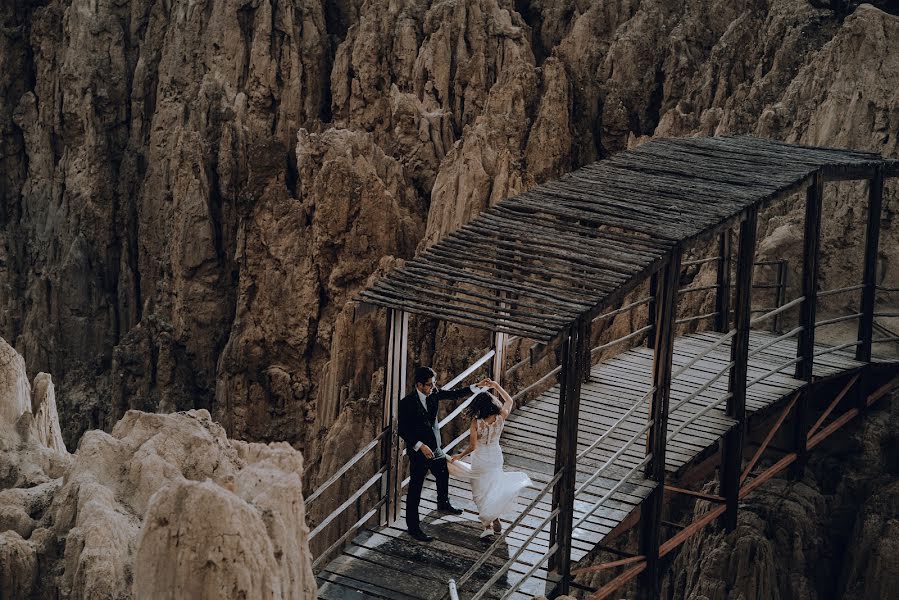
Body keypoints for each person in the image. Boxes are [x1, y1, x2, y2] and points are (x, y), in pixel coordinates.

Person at [398, 366, 484, 542]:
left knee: (443, 473)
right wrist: (419, 445)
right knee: (416, 489)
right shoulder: (406, 403)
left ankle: (443, 503)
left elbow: (454, 394)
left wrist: (477, 386)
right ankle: (413, 528)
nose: (432, 387)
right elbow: (402, 429)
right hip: (419, 452)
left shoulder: (434, 393)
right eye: (429, 385)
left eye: (433, 384)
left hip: (436, 447)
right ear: (419, 385)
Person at [450, 378, 532, 538]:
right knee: (494, 488)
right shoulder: (501, 416)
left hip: (480, 460)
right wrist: (496, 386)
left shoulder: (476, 423)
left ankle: (488, 526)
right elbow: (509, 400)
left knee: (480, 492)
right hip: (495, 456)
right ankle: (496, 518)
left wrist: (459, 456)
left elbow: (473, 447)